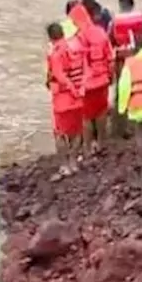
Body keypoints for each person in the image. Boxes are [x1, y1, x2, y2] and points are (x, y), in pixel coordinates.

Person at [109, 0, 142, 139]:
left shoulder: (114, 22)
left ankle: (119, 128)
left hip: (122, 61)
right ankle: (137, 124)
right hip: (139, 60)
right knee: (139, 90)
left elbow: (110, 42)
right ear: (133, 4)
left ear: (120, 4)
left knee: (121, 93)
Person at [46, 22, 87, 171]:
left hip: (63, 99)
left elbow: (58, 75)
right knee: (77, 131)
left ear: (50, 38)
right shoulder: (76, 47)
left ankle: (65, 165)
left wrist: (71, 89)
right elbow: (85, 69)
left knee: (59, 133)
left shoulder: (55, 53)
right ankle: (74, 161)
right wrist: (80, 89)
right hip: (79, 98)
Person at [73, 0, 115, 145]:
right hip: (102, 79)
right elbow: (110, 57)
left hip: (86, 84)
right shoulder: (101, 32)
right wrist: (110, 76)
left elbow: (77, 62)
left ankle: (88, 147)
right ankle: (102, 143)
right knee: (101, 112)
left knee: (85, 116)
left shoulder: (78, 37)